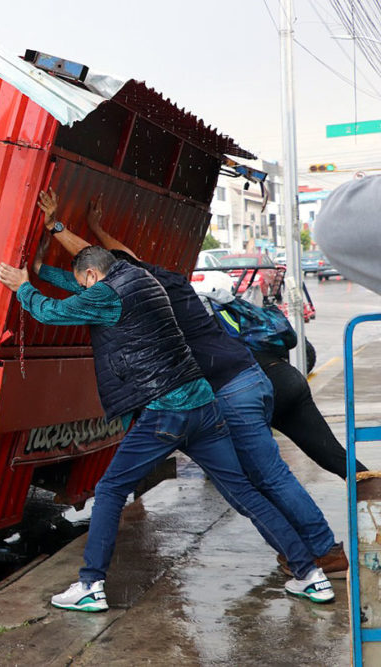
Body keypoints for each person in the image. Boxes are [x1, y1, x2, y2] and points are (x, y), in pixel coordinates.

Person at [0, 243, 334, 612]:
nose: (85, 289)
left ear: (94, 274)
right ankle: (309, 574)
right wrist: (43, 271)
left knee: (109, 490)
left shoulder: (106, 295)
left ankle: (90, 584)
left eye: (85, 283)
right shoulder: (143, 279)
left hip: (165, 411)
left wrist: (22, 287)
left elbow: (52, 312)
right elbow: (82, 290)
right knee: (244, 492)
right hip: (203, 405)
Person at [54, 191, 348, 577]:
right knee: (248, 483)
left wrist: (56, 227)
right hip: (249, 376)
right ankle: (304, 552)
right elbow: (117, 257)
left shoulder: (137, 291)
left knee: (264, 477)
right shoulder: (166, 280)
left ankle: (323, 550)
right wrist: (97, 228)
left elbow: (102, 264)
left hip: (228, 389)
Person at [197, 285, 367, 480]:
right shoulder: (220, 303)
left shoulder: (190, 319)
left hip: (254, 390)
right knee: (334, 455)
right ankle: (372, 486)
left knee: (261, 477)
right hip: (286, 377)